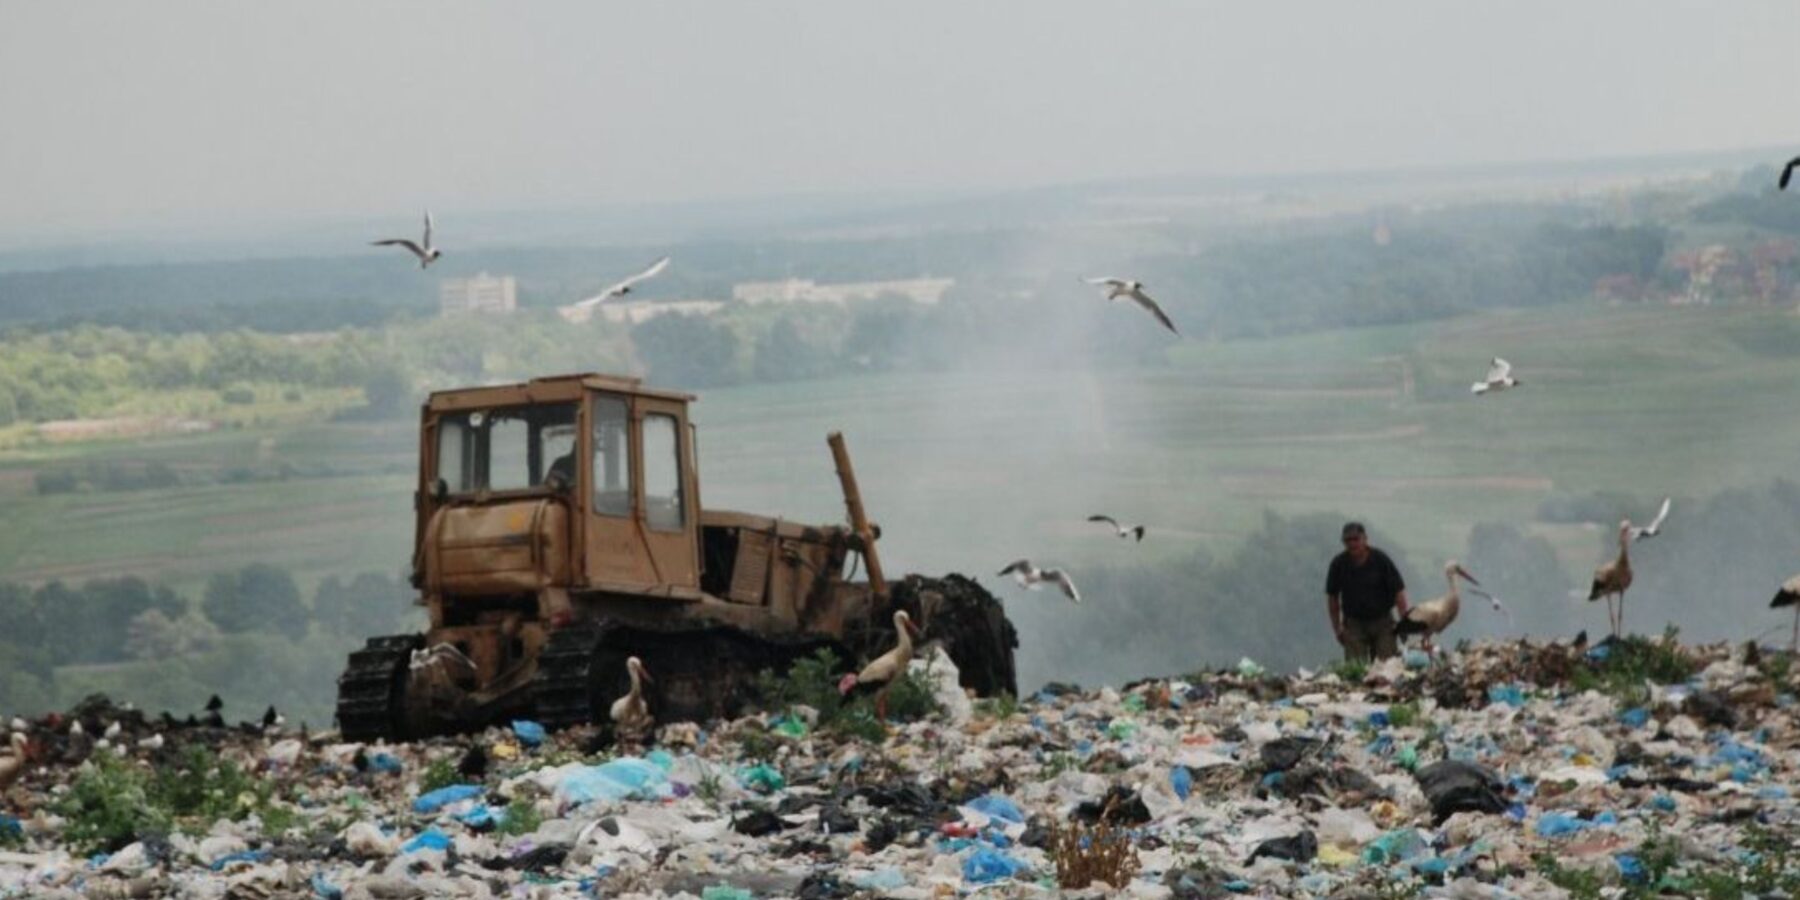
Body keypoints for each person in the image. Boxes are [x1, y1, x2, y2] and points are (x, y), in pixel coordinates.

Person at [1325, 521, 1409, 662]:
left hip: (1383, 623)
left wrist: (1404, 624)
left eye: (1356, 539)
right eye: (1348, 540)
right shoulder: (1339, 564)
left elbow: (1399, 592)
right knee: (1356, 670)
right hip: (1354, 625)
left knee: (1386, 668)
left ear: (1365, 539)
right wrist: (1337, 628)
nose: (1352, 544)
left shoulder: (1381, 560)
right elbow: (1332, 597)